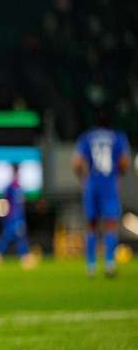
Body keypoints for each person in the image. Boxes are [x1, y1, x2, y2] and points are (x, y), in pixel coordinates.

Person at [72, 112, 131, 277]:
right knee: (111, 223)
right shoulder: (118, 137)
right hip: (109, 183)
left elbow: (77, 163)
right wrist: (118, 174)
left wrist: (83, 177)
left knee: (91, 224)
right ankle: (109, 264)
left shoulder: (86, 137)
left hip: (92, 183)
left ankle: (90, 266)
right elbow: (124, 163)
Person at [0, 163, 37, 269]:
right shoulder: (10, 187)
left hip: (18, 218)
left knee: (17, 237)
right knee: (11, 237)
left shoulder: (19, 187)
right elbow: (3, 201)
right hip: (12, 218)